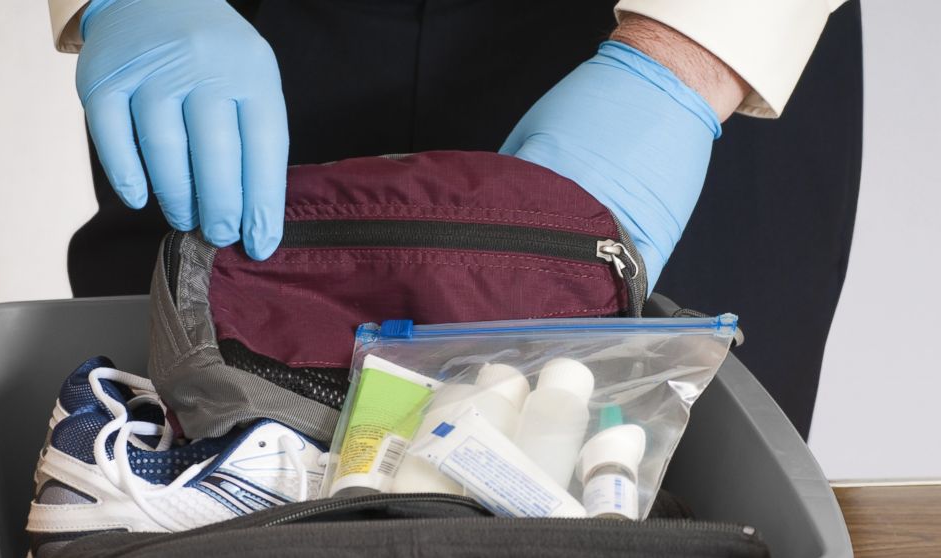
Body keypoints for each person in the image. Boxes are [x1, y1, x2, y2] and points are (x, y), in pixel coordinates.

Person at [47, 0, 861, 438]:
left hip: (667, 64)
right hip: (243, 41)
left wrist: (687, 63)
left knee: (651, 469)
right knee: (181, 458)